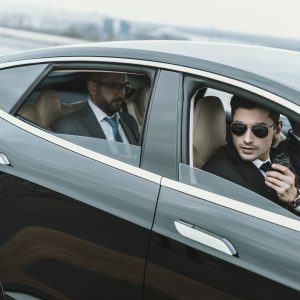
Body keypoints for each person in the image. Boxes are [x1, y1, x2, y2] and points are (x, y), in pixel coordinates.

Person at [202, 96, 300, 212]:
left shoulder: (280, 155)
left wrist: (295, 197)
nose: (247, 139)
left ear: (277, 130)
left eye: (259, 130)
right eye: (239, 128)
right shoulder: (216, 175)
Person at [54, 72, 139, 145]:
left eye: (124, 86)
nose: (121, 94)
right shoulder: (69, 127)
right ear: (93, 88)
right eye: (113, 86)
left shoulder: (130, 121)